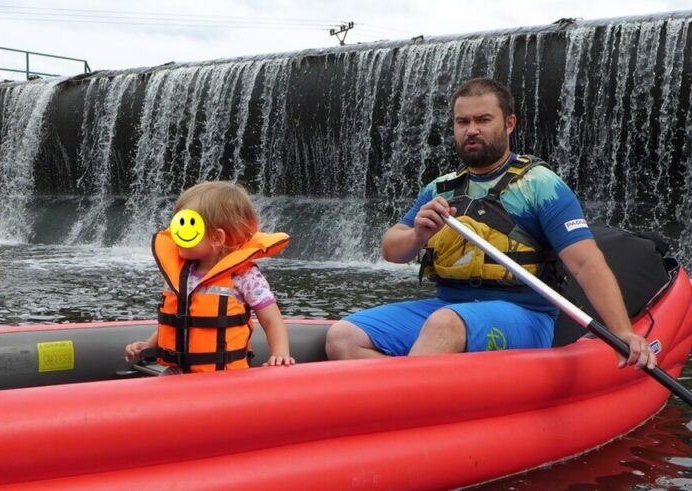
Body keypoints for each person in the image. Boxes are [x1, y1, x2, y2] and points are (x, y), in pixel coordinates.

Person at [326, 77, 656, 370]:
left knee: (444, 325)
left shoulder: (541, 185)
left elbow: (586, 262)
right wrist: (417, 234)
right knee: (343, 337)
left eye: (483, 120)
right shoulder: (440, 188)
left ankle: (405, 411)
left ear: (509, 123)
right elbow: (392, 249)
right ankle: (426, 390)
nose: (472, 129)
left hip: (525, 315)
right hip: (449, 306)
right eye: (463, 121)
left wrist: (622, 330)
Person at [125, 181, 295, 373]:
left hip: (226, 377)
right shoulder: (181, 274)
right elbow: (180, 321)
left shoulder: (246, 277)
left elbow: (272, 320)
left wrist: (280, 354)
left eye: (185, 228)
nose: (174, 235)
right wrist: (148, 345)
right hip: (178, 371)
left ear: (216, 238)